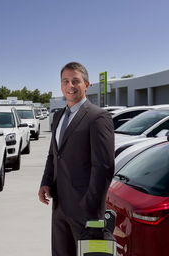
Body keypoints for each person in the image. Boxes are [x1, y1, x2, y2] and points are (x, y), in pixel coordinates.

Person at [38, 62, 114, 256]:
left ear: (86, 84)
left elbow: (103, 167)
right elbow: (53, 155)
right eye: (65, 81)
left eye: (75, 81)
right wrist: (46, 182)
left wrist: (90, 207)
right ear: (61, 85)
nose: (70, 85)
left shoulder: (98, 117)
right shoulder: (59, 116)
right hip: (60, 206)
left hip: (85, 211)